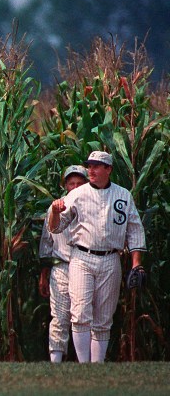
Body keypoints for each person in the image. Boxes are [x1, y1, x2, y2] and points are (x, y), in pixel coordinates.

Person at [48, 151, 145, 363]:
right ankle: (84, 366)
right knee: (80, 313)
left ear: (108, 169)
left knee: (103, 318)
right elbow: (56, 228)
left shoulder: (123, 195)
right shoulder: (77, 194)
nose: (91, 170)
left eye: (96, 166)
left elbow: (135, 229)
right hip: (82, 257)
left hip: (111, 258)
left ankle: (97, 365)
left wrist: (136, 263)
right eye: (89, 166)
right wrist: (55, 212)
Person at [38, 165, 88, 363]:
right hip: (61, 266)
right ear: (65, 185)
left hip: (85, 264)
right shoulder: (55, 208)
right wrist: (43, 272)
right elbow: (46, 243)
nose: (75, 187)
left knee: (83, 315)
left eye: (79, 183)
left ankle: (87, 361)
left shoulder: (92, 207)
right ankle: (56, 360)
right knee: (59, 315)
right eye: (71, 183)